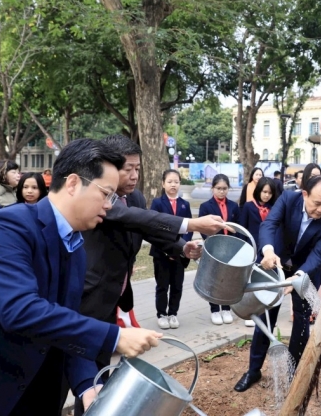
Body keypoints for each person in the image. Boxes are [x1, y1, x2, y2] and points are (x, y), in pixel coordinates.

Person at [0, 139, 164, 416]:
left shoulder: (76, 248)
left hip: (42, 394)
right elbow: (20, 310)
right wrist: (113, 336)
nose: (109, 205)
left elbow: (65, 319)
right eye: (106, 194)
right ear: (74, 183)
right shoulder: (7, 227)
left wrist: (87, 385)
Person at [71, 135, 227, 416]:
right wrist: (190, 223)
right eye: (127, 168)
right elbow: (137, 219)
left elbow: (147, 230)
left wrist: (183, 247)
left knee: (101, 378)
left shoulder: (136, 197)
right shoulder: (104, 200)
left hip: (112, 300)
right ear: (109, 167)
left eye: (137, 169)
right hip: (88, 299)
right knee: (84, 380)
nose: (133, 176)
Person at [234, 175, 321, 393]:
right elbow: (269, 225)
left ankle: (294, 376)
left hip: (305, 273)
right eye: (317, 203)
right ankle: (253, 370)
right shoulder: (288, 200)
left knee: (301, 326)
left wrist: (299, 276)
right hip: (274, 267)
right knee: (265, 319)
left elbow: (319, 254)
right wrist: (268, 250)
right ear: (304, 195)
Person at [150, 169, 193, 330]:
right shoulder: (158, 203)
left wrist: (183, 248)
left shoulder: (185, 204)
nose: (173, 185)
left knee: (177, 285)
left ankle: (173, 313)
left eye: (176, 181)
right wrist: (168, 249)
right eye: (170, 181)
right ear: (163, 184)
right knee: (162, 285)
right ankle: (161, 314)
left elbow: (189, 229)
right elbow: (153, 228)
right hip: (161, 253)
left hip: (181, 254)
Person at [200, 173, 241, 325]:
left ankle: (226, 307)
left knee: (228, 279)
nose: (222, 191)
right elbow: (203, 228)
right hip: (214, 247)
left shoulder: (233, 206)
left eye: (224, 188)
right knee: (214, 279)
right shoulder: (206, 207)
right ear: (213, 189)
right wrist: (211, 244)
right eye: (218, 188)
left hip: (230, 247)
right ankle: (214, 309)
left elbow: (238, 226)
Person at [239, 177, 279, 327]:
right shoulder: (249, 206)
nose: (267, 195)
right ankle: (249, 312)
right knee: (250, 281)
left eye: (270, 192)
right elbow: (243, 229)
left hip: (267, 249)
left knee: (265, 281)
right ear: (259, 191)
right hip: (251, 248)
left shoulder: (274, 208)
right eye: (264, 191)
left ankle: (264, 311)